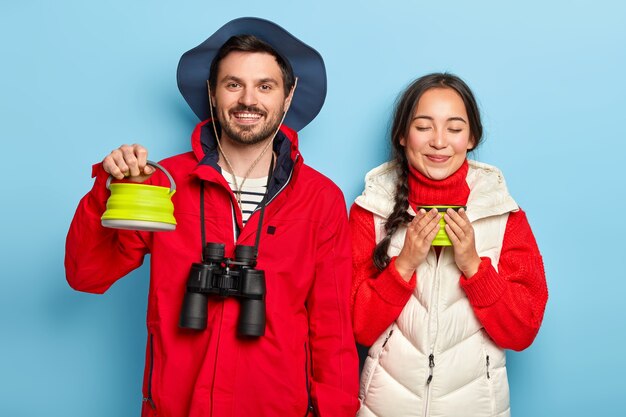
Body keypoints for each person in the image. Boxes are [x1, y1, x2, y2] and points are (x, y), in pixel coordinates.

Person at [65, 17, 359, 417]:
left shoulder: (319, 198)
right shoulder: (163, 182)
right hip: (176, 406)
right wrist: (108, 189)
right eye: (233, 84)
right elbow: (87, 274)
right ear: (212, 92)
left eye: (265, 86)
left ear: (288, 98)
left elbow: (333, 331)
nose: (248, 100)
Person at [349, 73, 548, 417]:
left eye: (454, 129)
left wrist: (473, 264)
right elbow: (356, 327)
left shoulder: (502, 213)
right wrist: (404, 265)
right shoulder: (371, 209)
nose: (439, 141)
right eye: (424, 127)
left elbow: (522, 331)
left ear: (471, 138)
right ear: (401, 135)